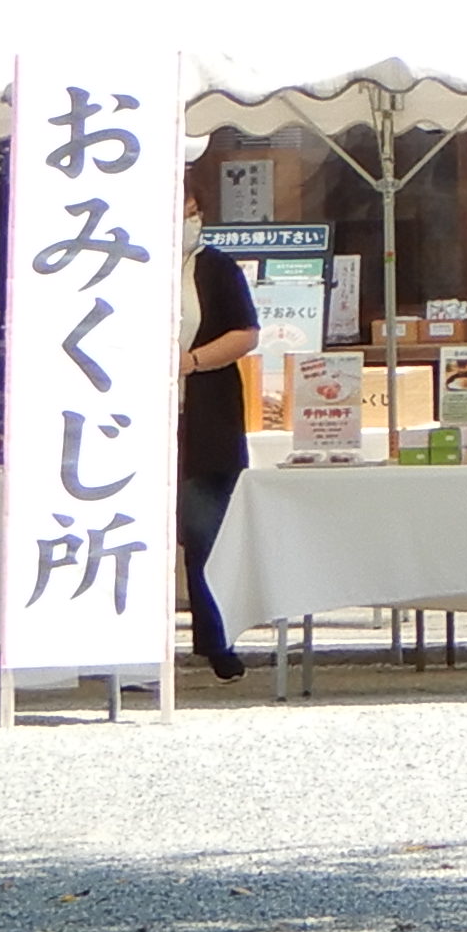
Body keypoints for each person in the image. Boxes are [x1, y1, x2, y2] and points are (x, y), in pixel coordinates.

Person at [176, 236, 265, 682]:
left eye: (193, 209)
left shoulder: (216, 267)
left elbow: (245, 332)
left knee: (204, 532)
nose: (188, 220)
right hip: (131, 421)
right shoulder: (121, 264)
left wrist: (192, 360)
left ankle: (216, 640)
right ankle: (132, 649)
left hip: (206, 420)